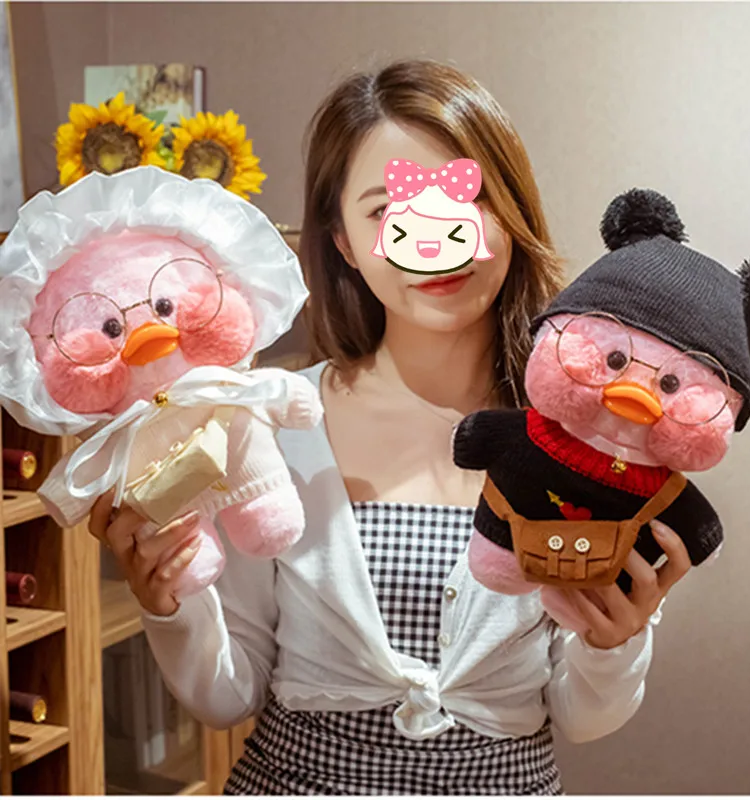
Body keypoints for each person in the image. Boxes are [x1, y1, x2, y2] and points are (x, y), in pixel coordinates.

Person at [88, 59, 691, 795]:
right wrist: (167, 599)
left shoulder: (588, 447)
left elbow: (582, 715)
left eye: (463, 198)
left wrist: (614, 640)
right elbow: (228, 695)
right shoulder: (272, 421)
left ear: (510, 213)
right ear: (342, 240)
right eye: (387, 212)